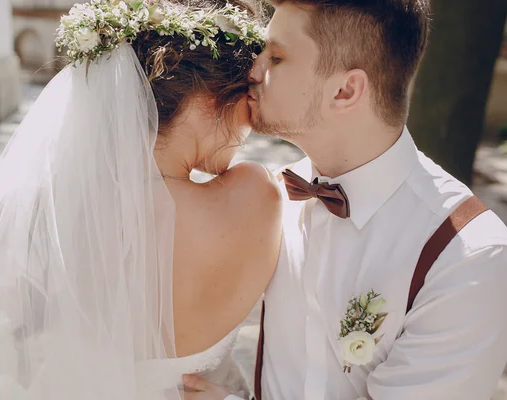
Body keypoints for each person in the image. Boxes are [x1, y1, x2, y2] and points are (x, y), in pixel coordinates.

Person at [0, 1, 281, 399]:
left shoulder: (49, 207)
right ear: (210, 101)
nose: (251, 124)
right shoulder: (255, 194)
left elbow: (8, 336)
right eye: (247, 95)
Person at [183, 0, 507, 399]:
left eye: (277, 57)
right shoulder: (272, 198)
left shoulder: (470, 255)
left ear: (345, 90)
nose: (253, 71)